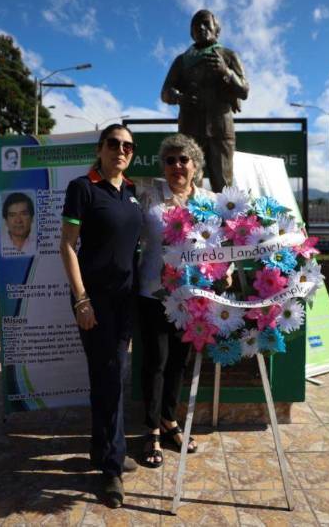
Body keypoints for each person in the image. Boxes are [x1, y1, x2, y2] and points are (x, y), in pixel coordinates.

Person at [59, 124, 143, 508]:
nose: (121, 150)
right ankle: (111, 469)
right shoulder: (83, 188)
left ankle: (100, 450)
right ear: (100, 148)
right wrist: (81, 300)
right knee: (111, 379)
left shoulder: (131, 193)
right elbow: (67, 246)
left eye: (127, 145)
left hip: (127, 302)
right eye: (114, 143)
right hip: (95, 303)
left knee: (107, 377)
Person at [136, 134, 213, 468]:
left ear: (195, 165)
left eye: (183, 160)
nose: (177, 166)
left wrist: (224, 272)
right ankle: (151, 429)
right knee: (156, 361)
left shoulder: (211, 201)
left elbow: (223, 245)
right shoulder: (148, 196)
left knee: (179, 362)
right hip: (153, 293)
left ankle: (169, 421)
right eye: (170, 160)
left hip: (193, 297)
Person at [161, 9, 249, 192]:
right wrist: (179, 97)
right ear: (191, 32)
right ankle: (191, 220)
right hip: (190, 129)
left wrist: (226, 71)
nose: (201, 28)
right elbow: (165, 92)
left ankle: (227, 221)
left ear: (216, 29)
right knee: (191, 183)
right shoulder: (182, 60)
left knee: (224, 182)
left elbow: (244, 90)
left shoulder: (228, 55)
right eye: (196, 25)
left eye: (206, 24)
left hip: (221, 128)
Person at [1, 192, 37, 256]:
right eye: (12, 215)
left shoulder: (40, 245)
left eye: (24, 214)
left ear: (32, 218)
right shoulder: (1, 244)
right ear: (6, 221)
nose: (18, 220)